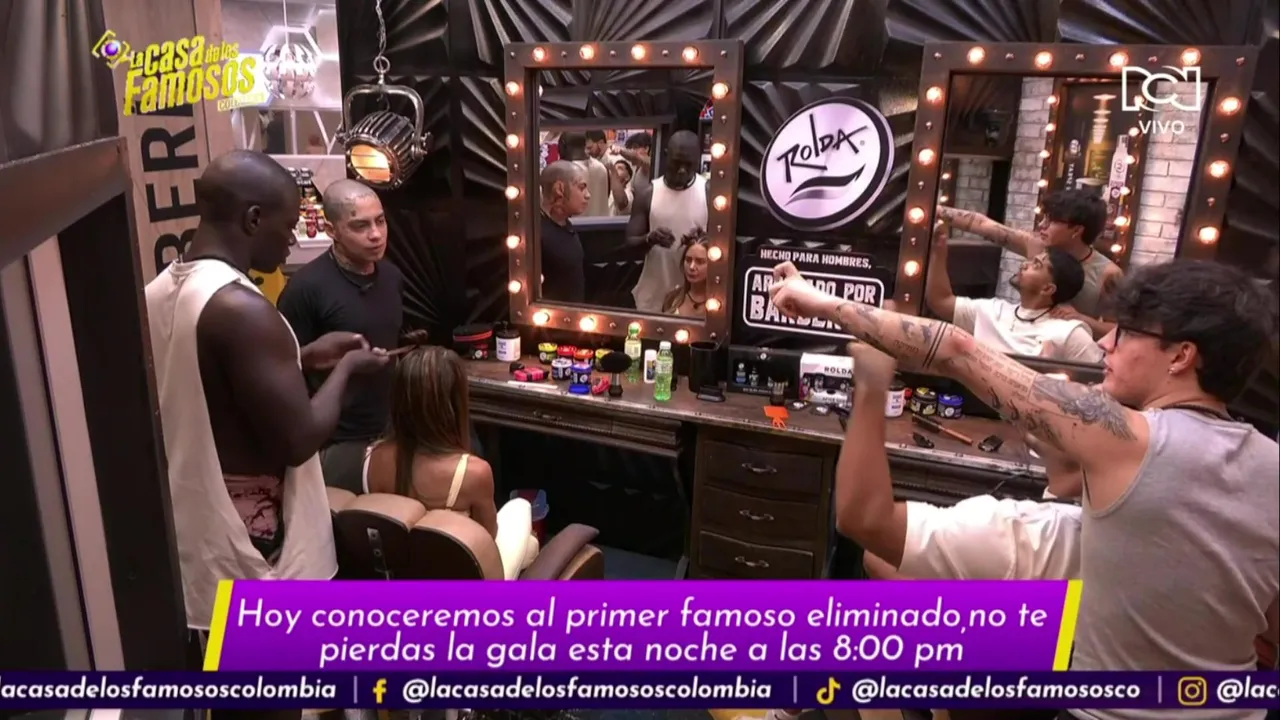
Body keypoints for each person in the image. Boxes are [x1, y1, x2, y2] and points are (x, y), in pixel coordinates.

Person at [766, 258, 1278, 719]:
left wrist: (816, 299)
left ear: (1182, 355)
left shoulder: (1125, 438)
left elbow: (957, 350)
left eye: (1126, 332)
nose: (1105, 343)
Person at [145, 151, 389, 693]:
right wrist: (348, 369)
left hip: (195, 535)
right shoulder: (244, 309)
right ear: (253, 219)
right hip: (257, 560)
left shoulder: (160, 290)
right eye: (287, 225)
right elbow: (300, 438)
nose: (292, 240)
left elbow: (206, 383)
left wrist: (301, 358)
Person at [277, 179, 420, 494]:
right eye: (360, 226)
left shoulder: (392, 277)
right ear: (332, 230)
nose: (376, 234)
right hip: (335, 442)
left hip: (389, 429)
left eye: (380, 221)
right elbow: (284, 371)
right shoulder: (305, 289)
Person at [364, 346, 540, 578]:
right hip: (462, 582)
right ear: (454, 405)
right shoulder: (474, 472)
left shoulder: (372, 457)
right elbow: (488, 538)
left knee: (529, 547)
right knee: (521, 508)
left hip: (404, 575)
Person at [938, 189, 1121, 338]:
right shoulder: (1036, 245)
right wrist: (934, 209)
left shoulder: (1109, 274)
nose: (1042, 225)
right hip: (1023, 337)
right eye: (1044, 217)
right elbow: (980, 224)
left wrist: (1080, 318)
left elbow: (1118, 331)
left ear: (1077, 230)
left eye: (1051, 221)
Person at [926, 223, 1102, 363]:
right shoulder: (992, 310)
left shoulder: (1069, 332)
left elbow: (1097, 378)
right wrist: (939, 250)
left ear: (1047, 289)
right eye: (1030, 261)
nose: (1024, 264)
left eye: (1036, 265)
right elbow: (940, 301)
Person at [626, 130, 709, 313]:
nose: (682, 170)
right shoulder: (648, 194)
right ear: (666, 155)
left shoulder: (708, 193)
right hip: (654, 297)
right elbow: (630, 244)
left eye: (689, 164)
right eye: (677, 163)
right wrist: (650, 239)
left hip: (695, 301)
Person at [539, 161, 590, 304]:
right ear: (559, 189)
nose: (588, 195)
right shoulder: (537, 234)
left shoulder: (566, 225)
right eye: (581, 188)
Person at [557, 131, 609, 216]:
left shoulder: (566, 171)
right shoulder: (601, 167)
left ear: (563, 145)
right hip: (603, 223)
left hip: (575, 223)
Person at [661, 233, 710, 317]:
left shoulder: (721, 302)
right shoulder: (672, 297)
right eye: (688, 260)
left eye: (700, 262)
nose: (692, 267)